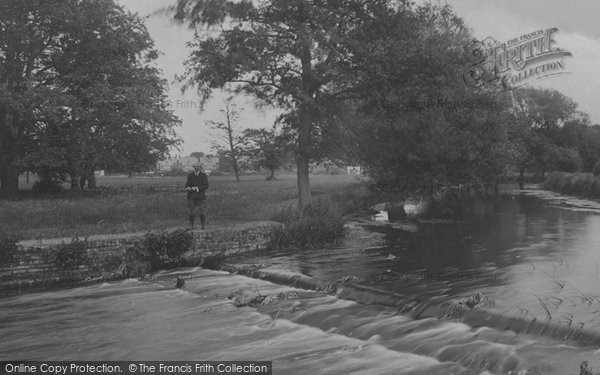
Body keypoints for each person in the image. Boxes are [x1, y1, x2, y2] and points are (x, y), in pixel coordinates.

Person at [185, 163, 209, 229]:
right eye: (195, 167)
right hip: (191, 196)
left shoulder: (203, 176)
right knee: (191, 211)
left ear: (200, 168)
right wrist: (188, 188)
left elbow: (206, 186)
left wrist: (197, 188)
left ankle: (203, 226)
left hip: (200, 196)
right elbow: (187, 185)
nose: (196, 168)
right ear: (194, 168)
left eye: (198, 167)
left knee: (202, 210)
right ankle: (191, 226)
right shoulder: (190, 175)